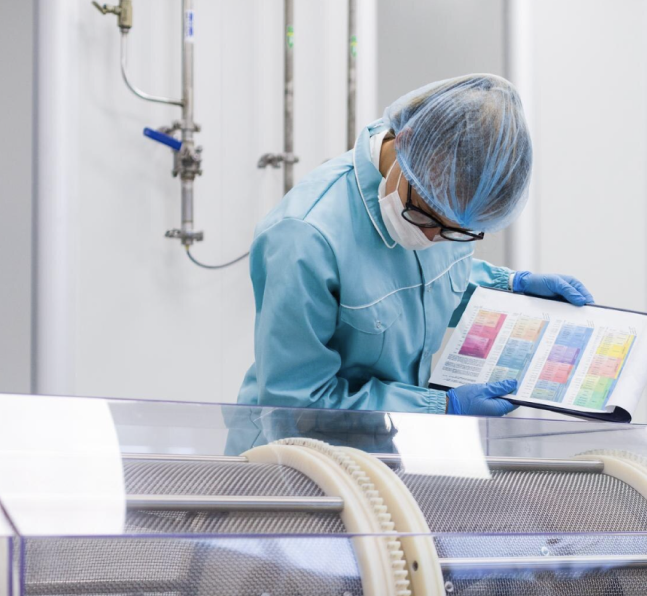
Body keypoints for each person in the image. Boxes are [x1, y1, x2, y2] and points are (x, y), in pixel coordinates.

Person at [232, 74, 594, 444]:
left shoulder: (442, 196)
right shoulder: (306, 236)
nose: (434, 238)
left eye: (456, 232)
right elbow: (299, 404)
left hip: (384, 452)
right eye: (427, 216)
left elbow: (426, 283)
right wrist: (439, 407)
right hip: (295, 461)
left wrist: (509, 288)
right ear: (406, 144)